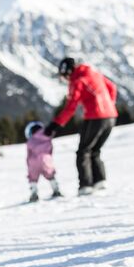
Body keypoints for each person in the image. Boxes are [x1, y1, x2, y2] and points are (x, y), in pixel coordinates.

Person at [44, 58, 118, 196]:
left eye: (64, 75)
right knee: (94, 149)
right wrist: (110, 104)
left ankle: (86, 186)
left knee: (83, 151)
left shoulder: (76, 80)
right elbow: (112, 87)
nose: (65, 79)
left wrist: (56, 123)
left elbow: (71, 106)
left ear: (68, 72)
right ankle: (100, 181)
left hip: (95, 117)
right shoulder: (94, 73)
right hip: (111, 117)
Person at [24, 121, 62, 202]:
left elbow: (28, 154)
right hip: (45, 159)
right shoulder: (47, 137)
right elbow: (50, 149)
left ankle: (34, 193)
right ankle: (56, 190)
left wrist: (28, 163)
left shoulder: (30, 140)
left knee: (33, 178)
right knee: (50, 174)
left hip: (33, 161)